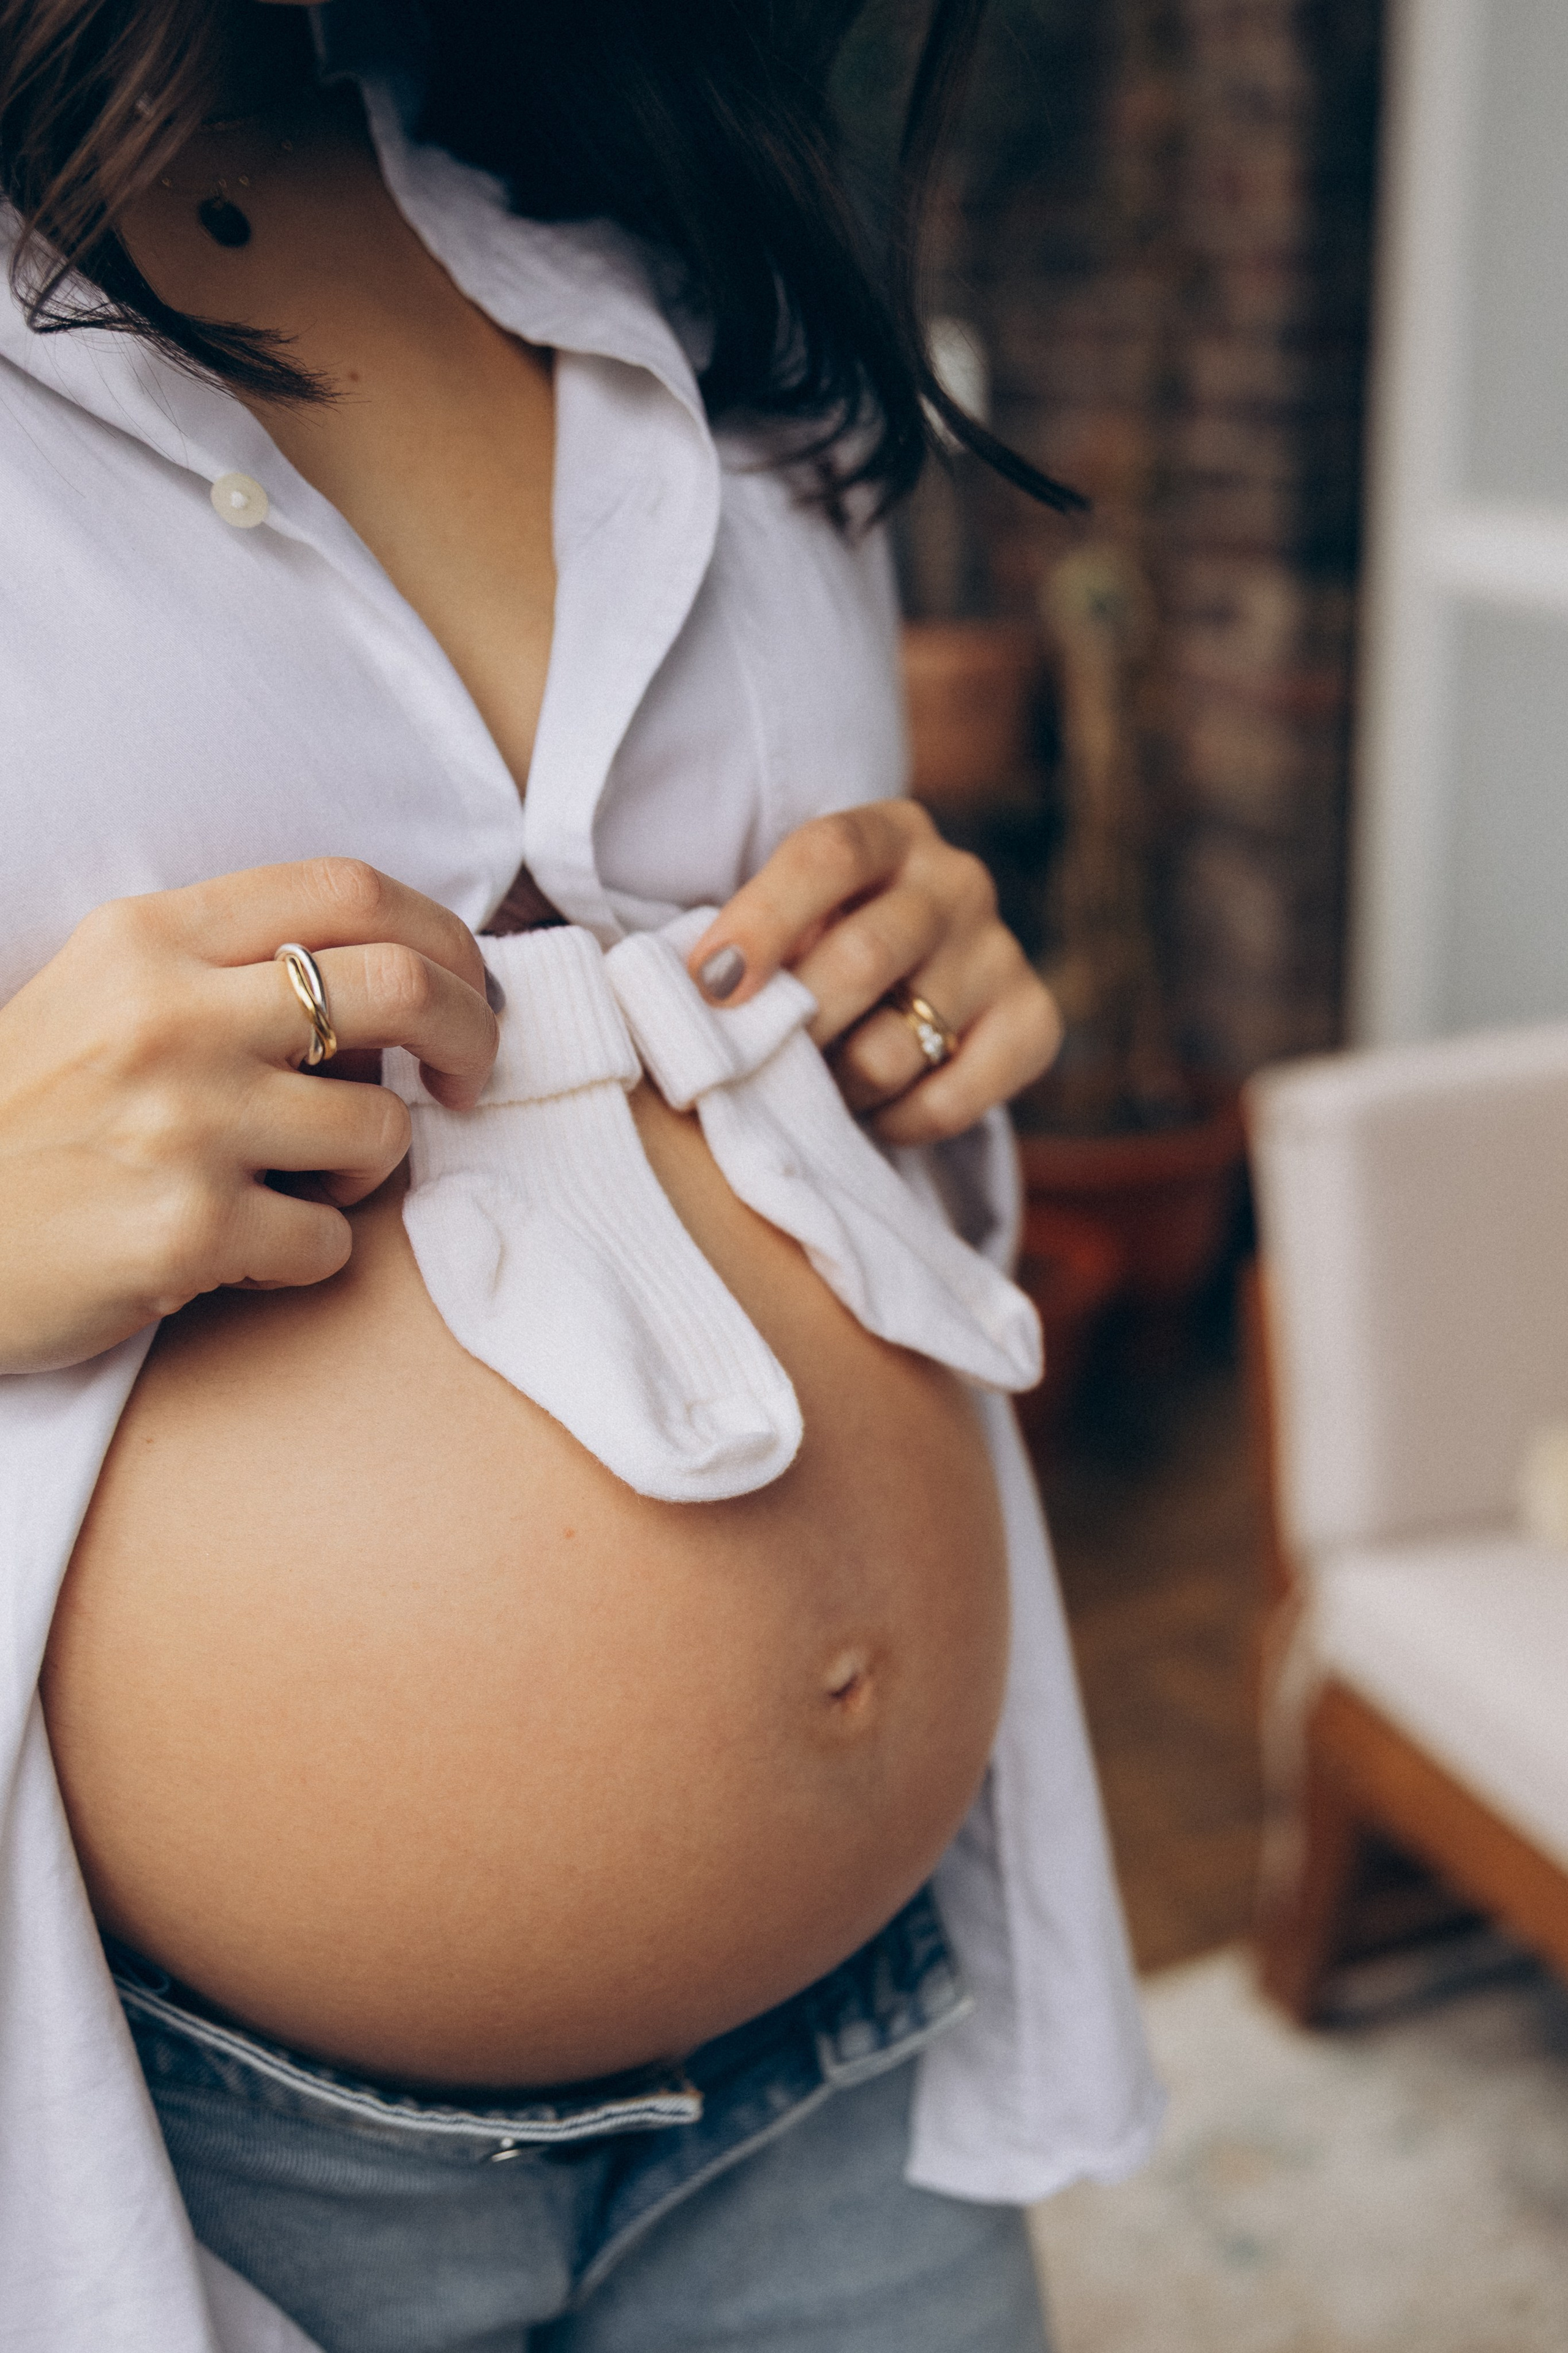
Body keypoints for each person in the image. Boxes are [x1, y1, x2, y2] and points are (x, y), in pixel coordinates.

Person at [0, 1, 1162, 2345]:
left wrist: (926, 995)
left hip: (865, 2050)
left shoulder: (674, 237)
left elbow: (804, 1091)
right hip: (221, 2152)